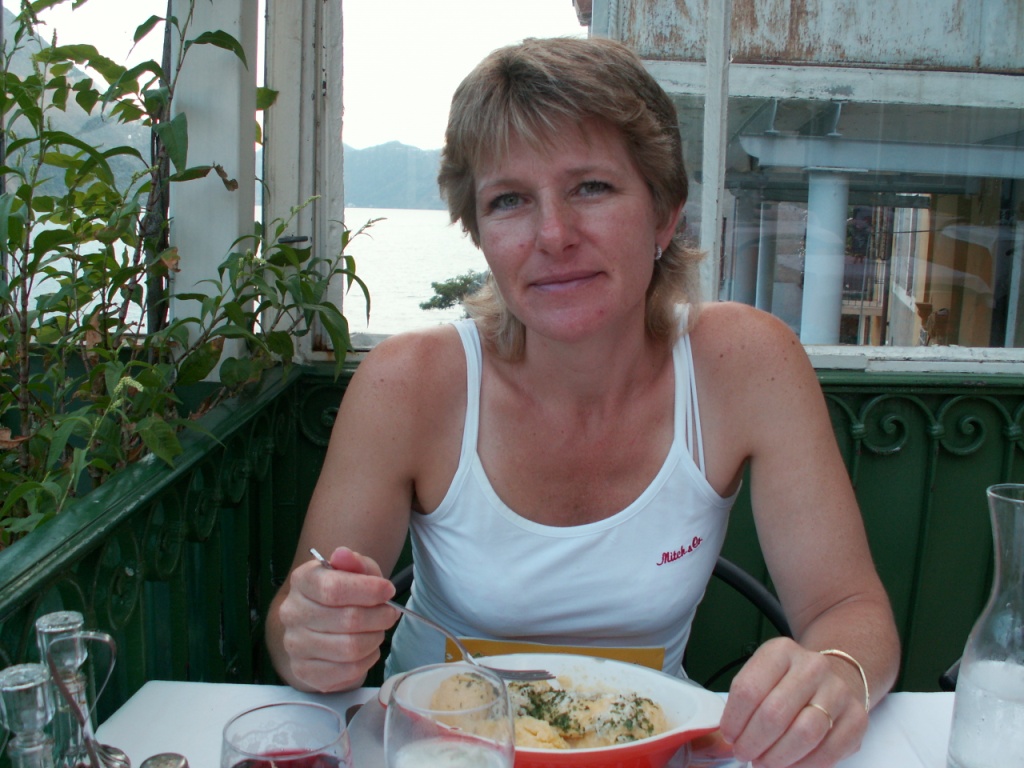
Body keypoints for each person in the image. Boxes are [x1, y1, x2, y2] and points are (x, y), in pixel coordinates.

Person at [266, 36, 900, 768]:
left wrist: (836, 674)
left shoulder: (745, 364)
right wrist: (310, 636)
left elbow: (849, 610)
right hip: (434, 750)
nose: (553, 236)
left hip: (647, 750)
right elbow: (295, 625)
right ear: (480, 235)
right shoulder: (408, 383)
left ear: (664, 215)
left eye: (591, 187)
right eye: (509, 201)